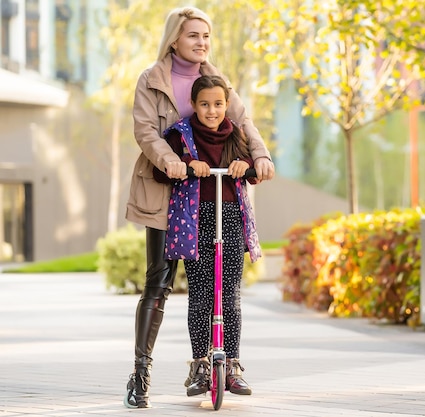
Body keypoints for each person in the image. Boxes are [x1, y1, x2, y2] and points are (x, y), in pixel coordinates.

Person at [124, 7, 274, 409]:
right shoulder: (152, 79)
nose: (201, 43)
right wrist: (169, 161)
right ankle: (141, 372)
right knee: (159, 282)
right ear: (175, 38)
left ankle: (224, 363)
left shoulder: (217, 79)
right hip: (166, 191)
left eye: (206, 36)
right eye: (194, 36)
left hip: (211, 196)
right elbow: (145, 131)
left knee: (223, 290)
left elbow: (245, 125)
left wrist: (261, 157)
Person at [154, 74, 258, 399]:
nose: (211, 111)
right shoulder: (181, 136)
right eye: (204, 104)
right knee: (200, 294)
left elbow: (255, 167)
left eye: (217, 104)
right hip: (195, 219)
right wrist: (187, 165)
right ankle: (200, 363)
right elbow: (162, 169)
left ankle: (233, 365)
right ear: (194, 106)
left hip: (230, 218)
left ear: (226, 105)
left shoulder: (236, 135)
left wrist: (244, 165)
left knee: (230, 295)